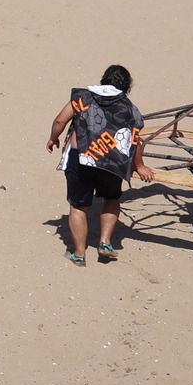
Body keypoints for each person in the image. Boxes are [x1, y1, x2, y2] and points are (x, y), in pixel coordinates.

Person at [46, 65, 150, 266]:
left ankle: (79, 253)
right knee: (111, 199)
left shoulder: (82, 98)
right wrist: (140, 165)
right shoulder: (130, 108)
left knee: (78, 205)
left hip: (81, 159)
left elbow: (60, 120)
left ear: (103, 79)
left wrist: (53, 138)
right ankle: (105, 242)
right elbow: (136, 141)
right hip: (111, 162)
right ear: (127, 86)